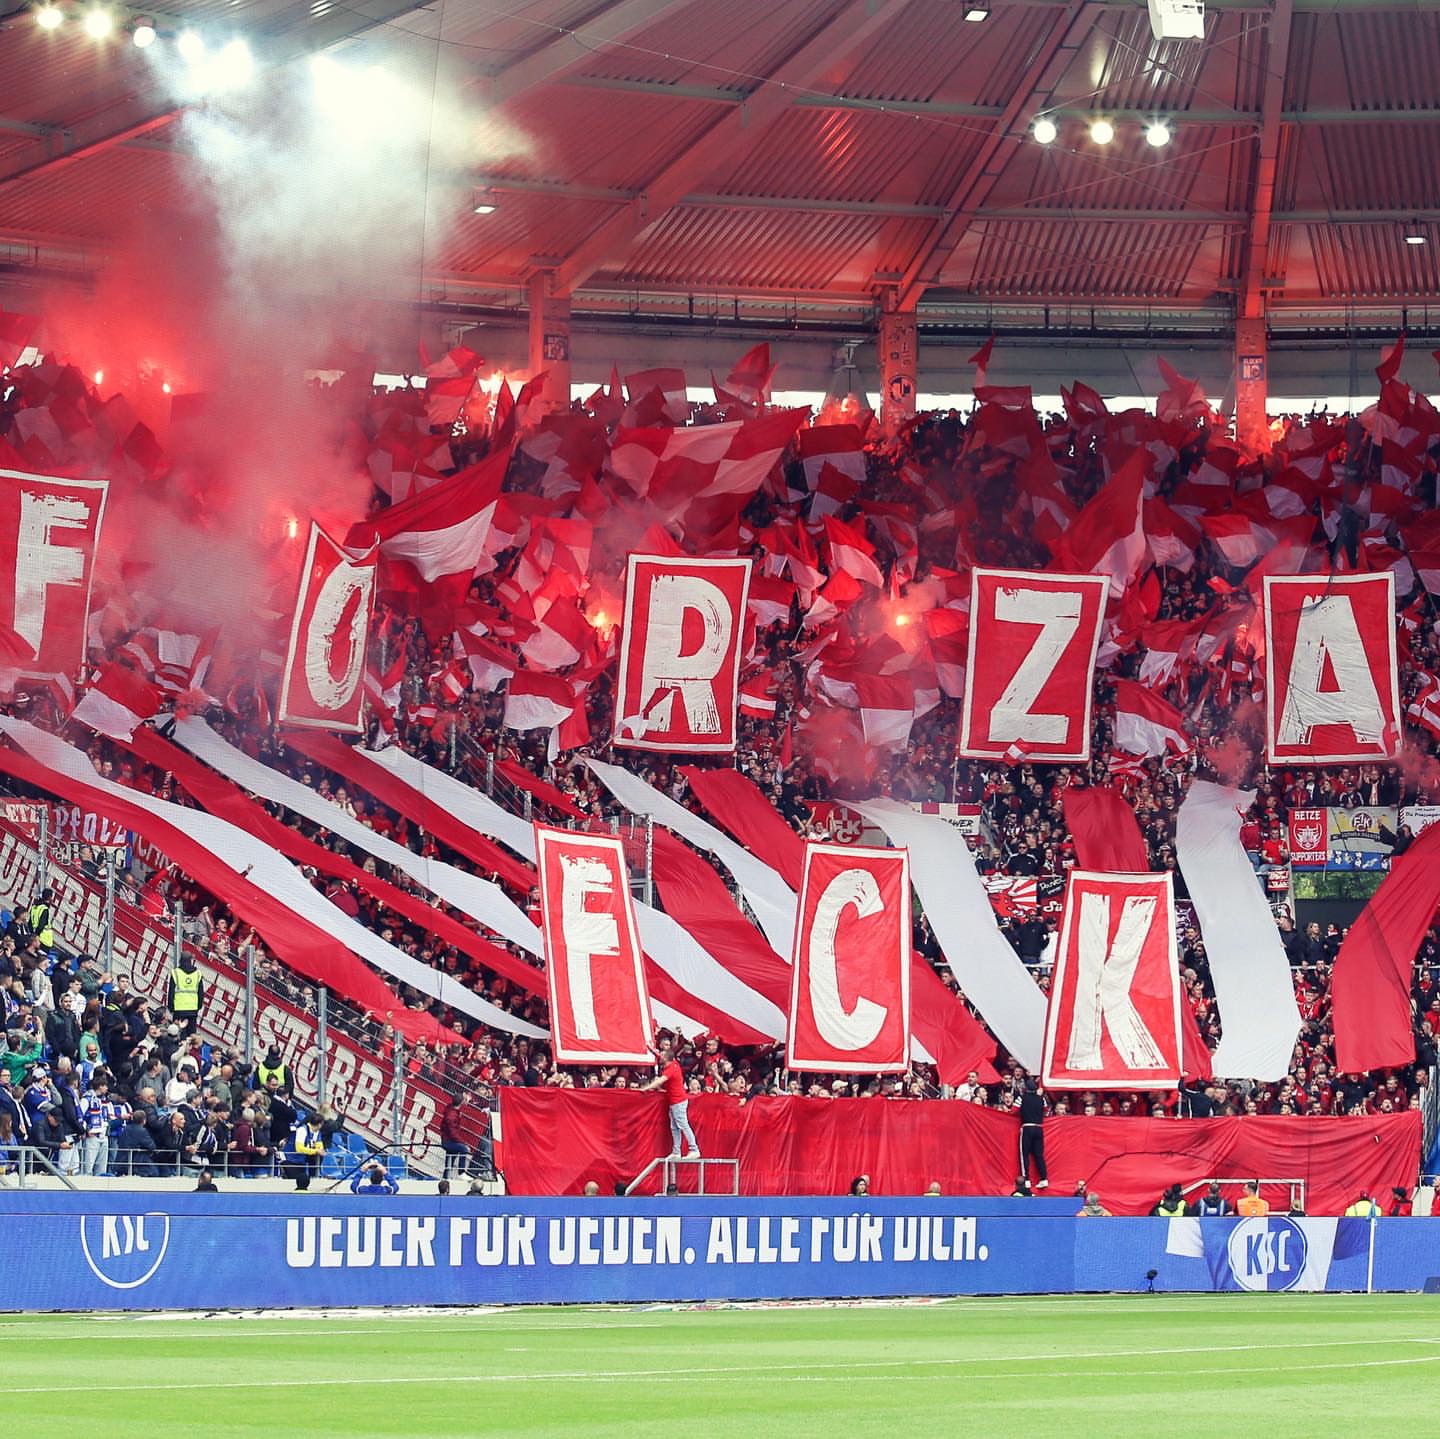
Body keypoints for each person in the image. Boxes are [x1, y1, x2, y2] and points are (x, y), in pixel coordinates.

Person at [639, 1041, 701, 1161]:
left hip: (678, 1101)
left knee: (683, 1124)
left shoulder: (671, 1069)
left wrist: (647, 1088)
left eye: (662, 1056)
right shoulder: (672, 1063)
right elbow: (659, 1055)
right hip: (675, 1102)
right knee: (674, 1126)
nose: (659, 1057)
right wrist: (651, 1048)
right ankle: (676, 1151)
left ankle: (694, 1149)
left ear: (666, 1058)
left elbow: (660, 1080)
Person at [1017, 1076, 1048, 1190]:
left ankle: (1027, 1180)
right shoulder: (1041, 1098)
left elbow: (1014, 1110)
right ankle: (1044, 1179)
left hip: (1027, 1127)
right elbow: (1046, 1110)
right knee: (1039, 1154)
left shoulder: (1022, 1098)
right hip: (1039, 1128)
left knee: (1024, 1154)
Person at [167, 952, 204, 1036]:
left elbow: (171, 992)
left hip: (179, 1009)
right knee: (191, 1036)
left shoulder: (175, 972)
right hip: (192, 1009)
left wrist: (171, 1007)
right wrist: (199, 1006)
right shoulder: (198, 973)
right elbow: (201, 993)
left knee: (177, 1034)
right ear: (191, 960)